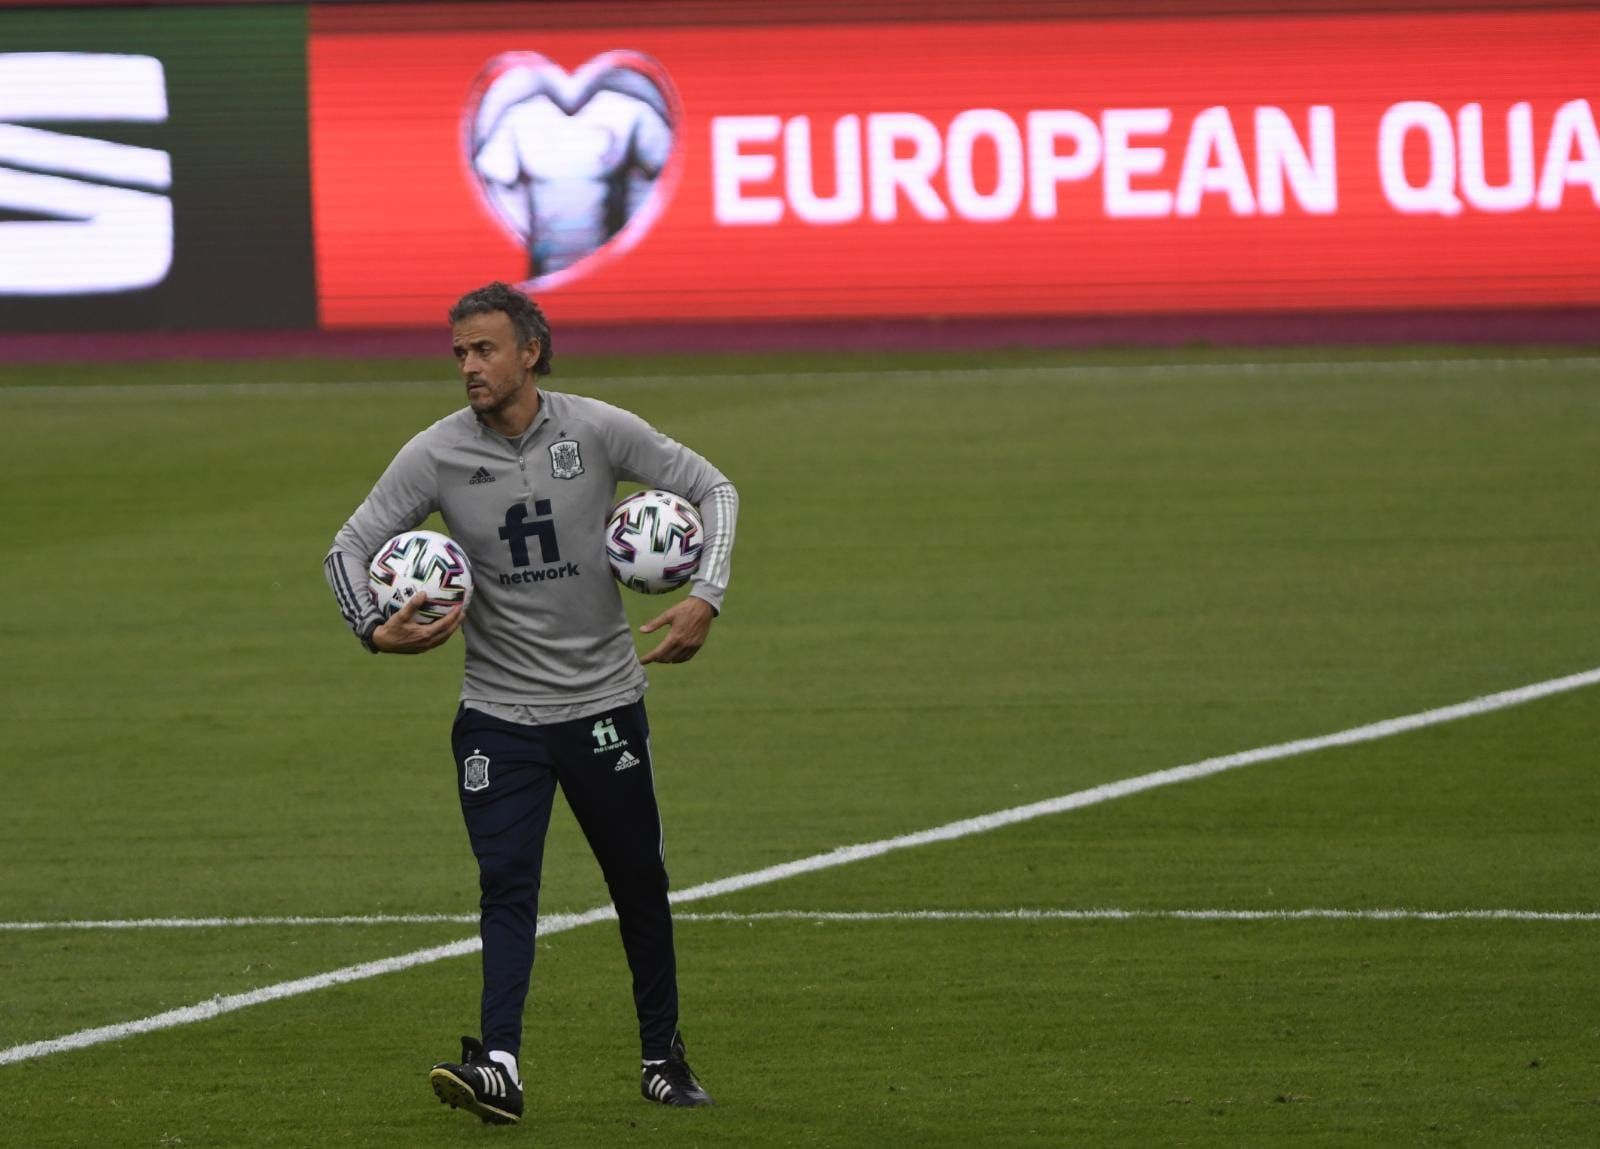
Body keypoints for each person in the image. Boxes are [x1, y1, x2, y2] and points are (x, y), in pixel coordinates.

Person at [323, 281, 737, 1126]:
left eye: (483, 350)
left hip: (603, 705)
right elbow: (350, 545)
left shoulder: (596, 428)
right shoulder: (436, 453)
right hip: (497, 713)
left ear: (530, 352)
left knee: (639, 883)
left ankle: (662, 1055)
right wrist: (373, 628)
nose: (469, 367)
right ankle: (501, 1063)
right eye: (459, 354)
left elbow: (715, 488)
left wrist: (708, 593)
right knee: (506, 884)